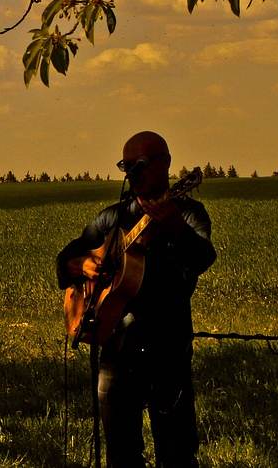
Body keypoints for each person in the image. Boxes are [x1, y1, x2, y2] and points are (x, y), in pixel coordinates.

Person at [56, 131, 215, 468]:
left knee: (177, 455)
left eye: (140, 164)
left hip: (168, 351)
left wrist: (174, 225)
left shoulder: (188, 214)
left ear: (165, 163)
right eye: (126, 166)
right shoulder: (112, 219)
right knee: (121, 456)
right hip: (116, 352)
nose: (133, 173)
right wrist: (80, 264)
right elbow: (65, 260)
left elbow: (202, 258)